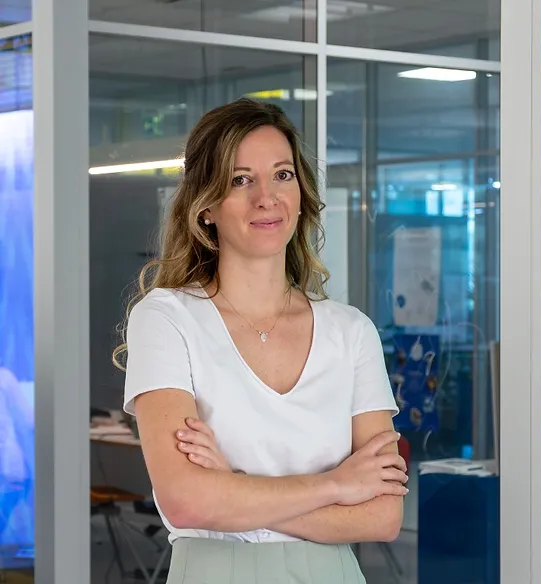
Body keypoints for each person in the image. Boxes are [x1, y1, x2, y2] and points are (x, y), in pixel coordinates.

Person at [114, 98, 408, 584]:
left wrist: (232, 487)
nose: (266, 198)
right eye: (240, 180)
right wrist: (336, 485)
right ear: (206, 206)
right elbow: (187, 502)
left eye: (282, 175)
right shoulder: (166, 319)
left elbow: (381, 516)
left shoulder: (351, 332)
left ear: (302, 193)